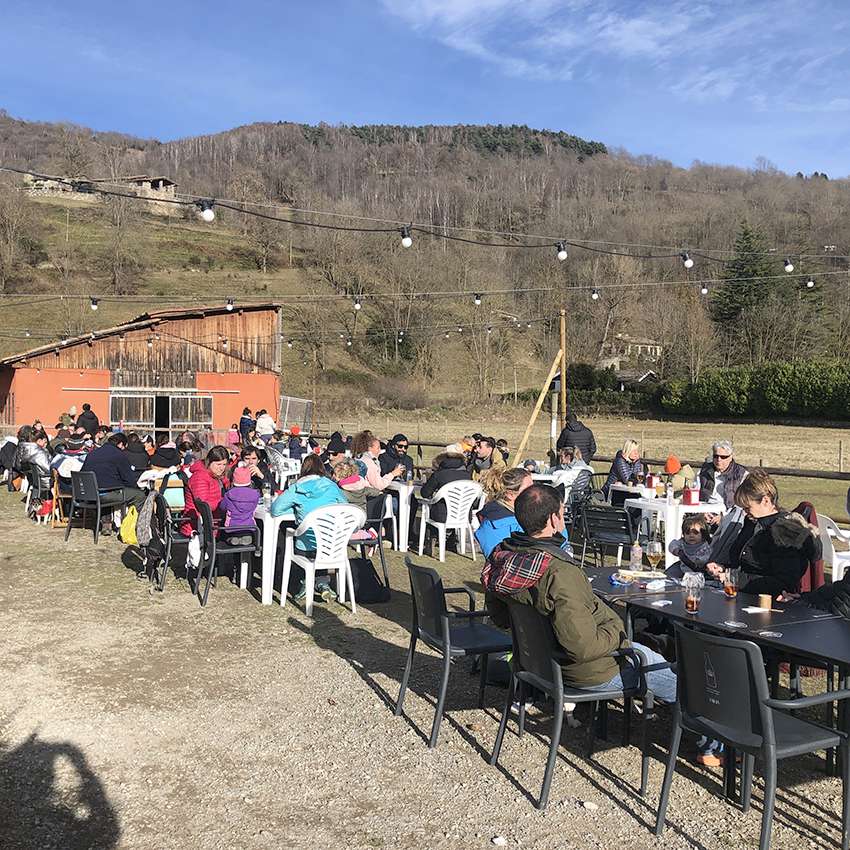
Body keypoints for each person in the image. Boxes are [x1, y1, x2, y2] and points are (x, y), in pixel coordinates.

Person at [482, 484, 676, 703]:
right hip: (585, 672)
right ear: (554, 520)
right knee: (678, 685)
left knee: (648, 653)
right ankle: (707, 731)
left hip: (537, 663)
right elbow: (582, 647)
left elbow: (501, 618)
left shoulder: (504, 558)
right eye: (562, 513)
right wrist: (617, 631)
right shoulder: (559, 571)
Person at [704, 470, 820, 596]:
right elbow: (741, 561)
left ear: (765, 501)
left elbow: (783, 583)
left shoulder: (785, 532)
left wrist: (734, 578)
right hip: (743, 594)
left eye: (748, 508)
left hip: (769, 601)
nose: (744, 512)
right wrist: (723, 570)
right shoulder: (752, 522)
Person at [270, 454, 348, 602]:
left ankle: (304, 582)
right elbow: (344, 505)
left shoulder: (297, 488)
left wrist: (296, 510)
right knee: (321, 534)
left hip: (306, 545)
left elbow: (276, 509)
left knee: (299, 537)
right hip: (332, 543)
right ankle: (322, 583)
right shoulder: (332, 486)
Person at [81, 433, 146, 516]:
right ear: (121, 444)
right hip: (105, 494)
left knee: (108, 487)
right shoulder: (119, 455)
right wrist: (137, 488)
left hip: (88, 494)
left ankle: (105, 522)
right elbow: (129, 480)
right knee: (139, 495)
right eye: (124, 447)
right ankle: (139, 524)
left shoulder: (92, 453)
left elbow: (83, 472)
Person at [475, 467, 533, 558]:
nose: (535, 492)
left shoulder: (521, 516)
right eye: (529, 489)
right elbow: (499, 560)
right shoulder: (497, 524)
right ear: (510, 495)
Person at [181, 445, 231, 535]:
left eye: (224, 464)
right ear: (209, 462)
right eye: (218, 464)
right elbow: (203, 505)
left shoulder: (214, 475)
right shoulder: (200, 477)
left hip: (211, 523)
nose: (222, 468)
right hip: (197, 527)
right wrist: (224, 503)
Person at [699, 440, 748, 510]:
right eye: (716, 456)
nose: (719, 459)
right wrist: (702, 513)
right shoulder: (703, 471)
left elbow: (744, 501)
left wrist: (723, 515)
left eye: (723, 457)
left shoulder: (742, 474)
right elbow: (695, 494)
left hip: (729, 513)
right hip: (704, 511)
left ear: (730, 457)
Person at [219, 466, 260, 546]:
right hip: (249, 526)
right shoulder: (255, 494)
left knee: (229, 535)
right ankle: (247, 538)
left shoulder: (229, 494)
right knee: (247, 533)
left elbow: (222, 507)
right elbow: (255, 506)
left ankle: (233, 539)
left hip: (232, 526)